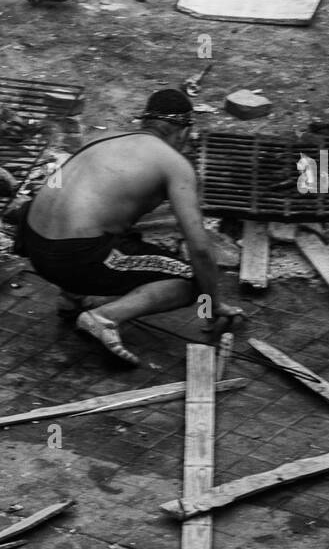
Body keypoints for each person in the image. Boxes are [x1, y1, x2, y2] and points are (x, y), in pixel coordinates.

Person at [17, 88, 242, 366]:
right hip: (73, 257)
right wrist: (212, 302)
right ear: (184, 132)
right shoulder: (175, 164)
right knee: (191, 278)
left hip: (31, 241)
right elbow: (201, 249)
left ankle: (71, 299)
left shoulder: (106, 137)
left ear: (145, 122)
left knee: (113, 225)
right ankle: (104, 318)